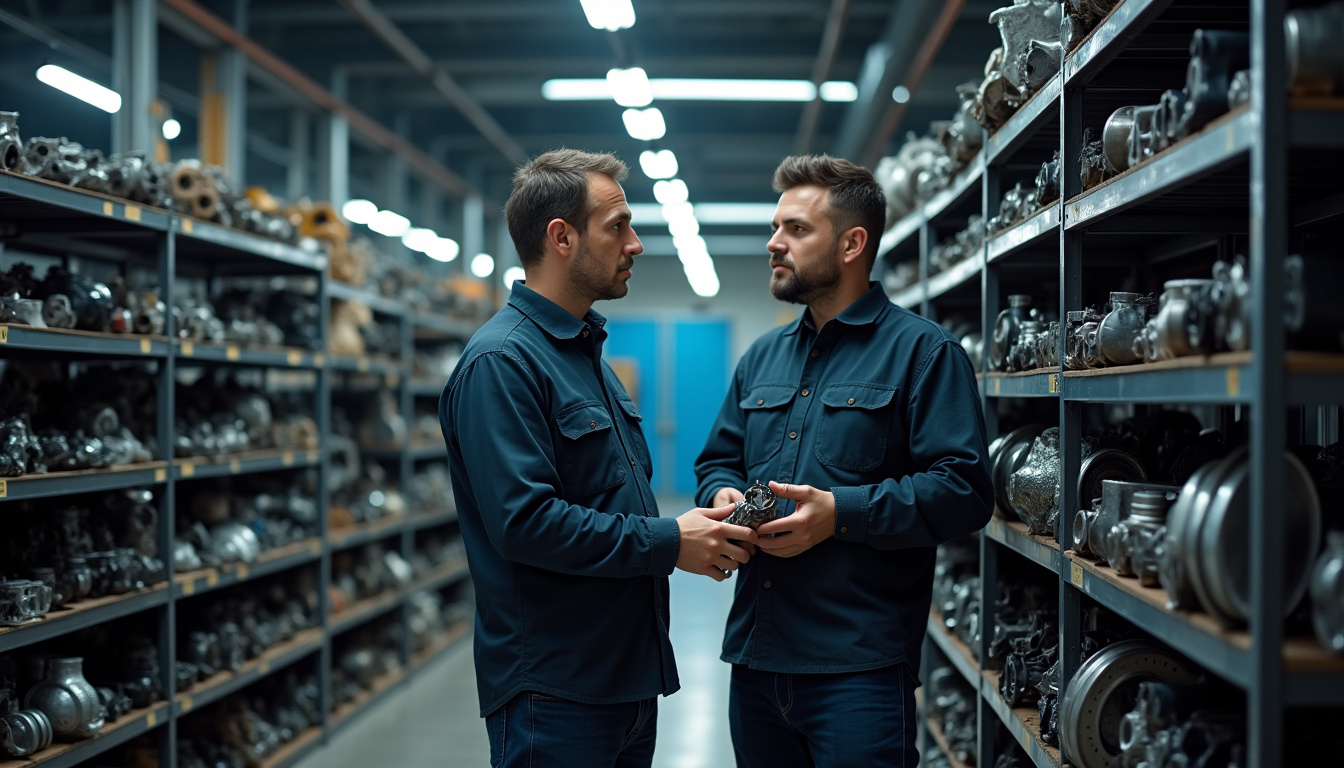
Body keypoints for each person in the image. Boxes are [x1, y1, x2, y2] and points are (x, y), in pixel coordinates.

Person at [440, 148, 758, 768]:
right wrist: (670, 542)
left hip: (624, 681)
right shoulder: (502, 363)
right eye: (618, 226)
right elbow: (525, 523)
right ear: (561, 237)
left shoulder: (585, 355)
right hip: (555, 695)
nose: (635, 244)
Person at [694, 154, 994, 767]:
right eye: (776, 227)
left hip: (857, 673)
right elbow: (719, 460)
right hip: (755, 657)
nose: (775, 244)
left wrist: (842, 514)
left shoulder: (924, 355)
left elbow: (964, 491)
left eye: (797, 230)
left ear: (853, 243)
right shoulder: (762, 358)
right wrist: (724, 496)